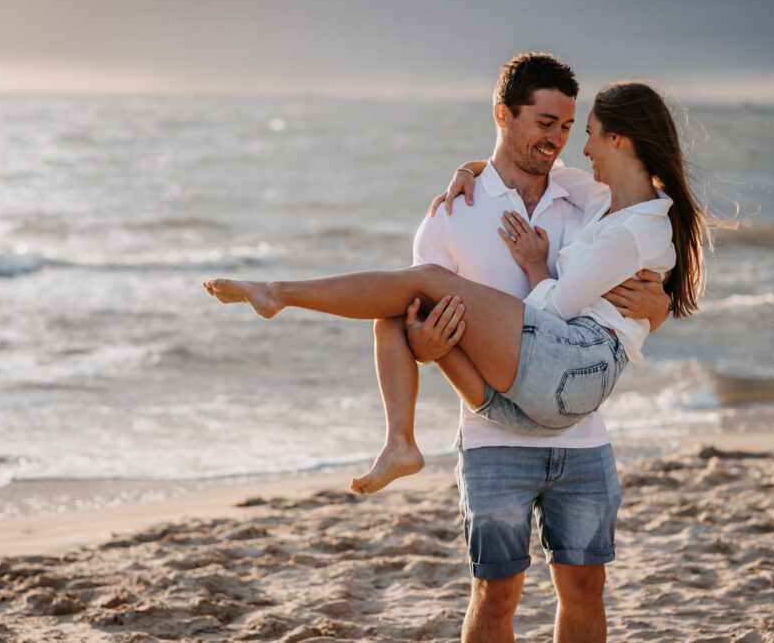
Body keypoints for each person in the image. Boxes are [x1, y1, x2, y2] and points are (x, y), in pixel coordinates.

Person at [206, 54, 706, 641]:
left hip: (580, 431)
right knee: (496, 594)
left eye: (570, 127)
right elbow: (415, 326)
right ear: (503, 114)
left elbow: (625, 286)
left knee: (586, 588)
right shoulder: (450, 216)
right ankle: (396, 437)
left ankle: (282, 294)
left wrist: (663, 307)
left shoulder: (587, 196)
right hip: (495, 434)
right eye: (546, 123)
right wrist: (425, 345)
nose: (562, 141)